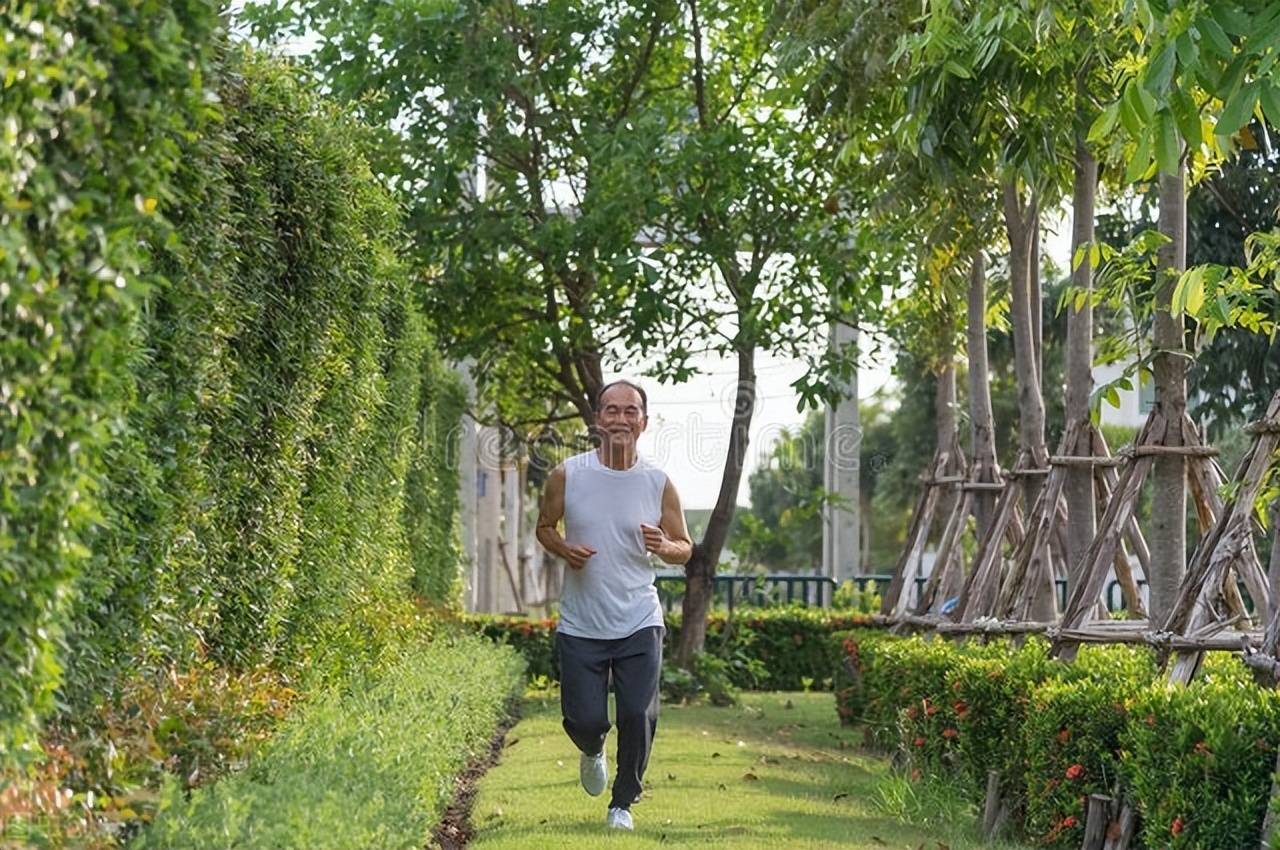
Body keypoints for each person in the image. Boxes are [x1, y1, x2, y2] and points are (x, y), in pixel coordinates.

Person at [535, 379, 693, 831]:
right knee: (583, 718)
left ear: (643, 422)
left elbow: (685, 547)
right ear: (597, 419)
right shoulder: (568, 474)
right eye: (611, 410)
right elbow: (545, 527)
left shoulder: (658, 482)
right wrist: (564, 549)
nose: (620, 418)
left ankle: (622, 803)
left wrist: (665, 545)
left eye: (630, 411)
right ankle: (591, 747)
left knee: (636, 714)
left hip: (639, 618)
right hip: (581, 621)